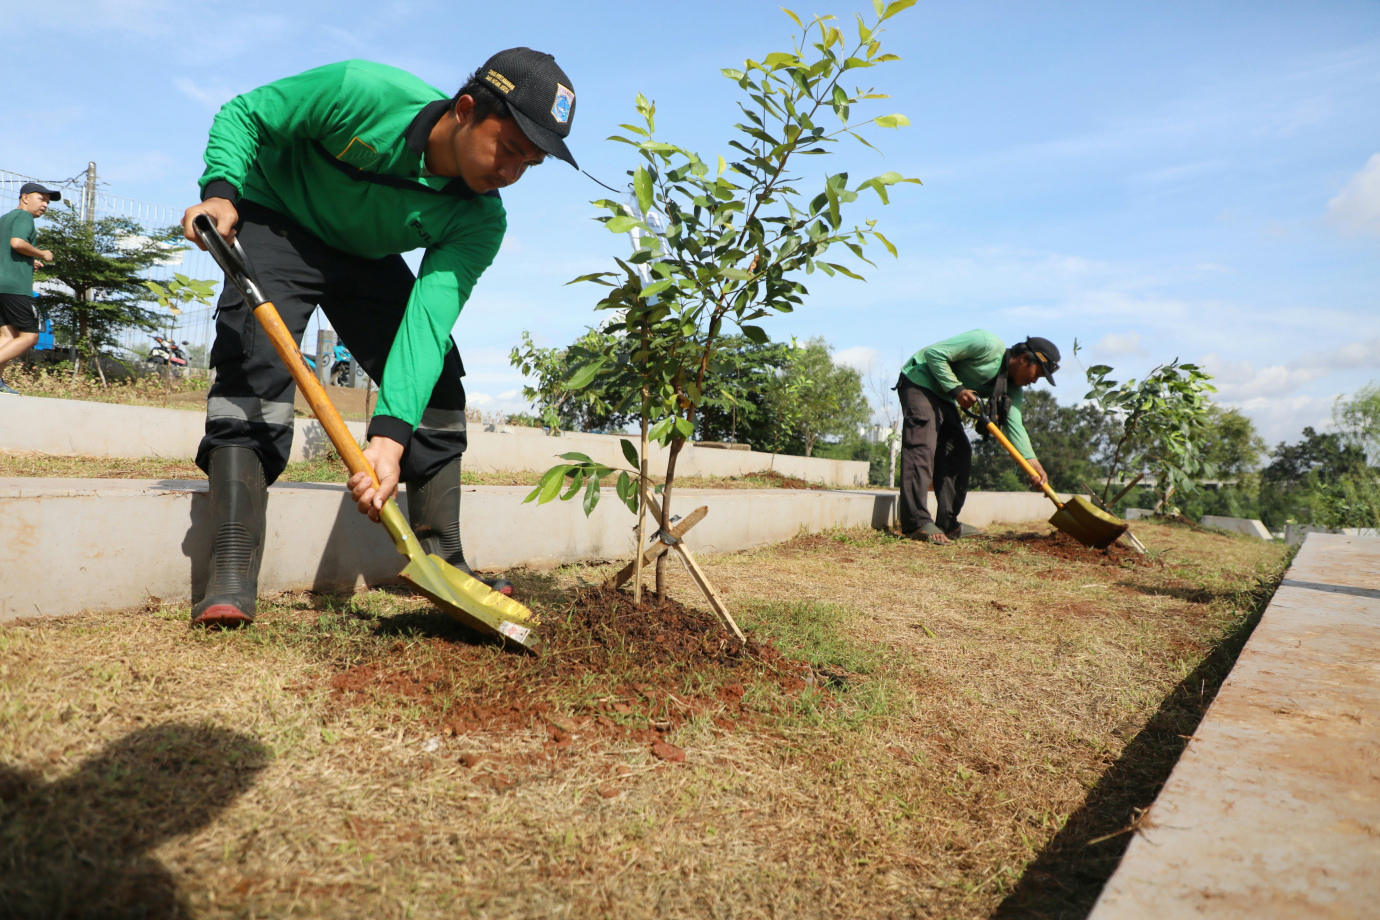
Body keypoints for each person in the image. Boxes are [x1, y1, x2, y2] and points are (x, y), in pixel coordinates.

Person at [181, 50, 578, 627]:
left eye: (531, 162)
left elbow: (426, 323)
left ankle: (442, 556)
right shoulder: (360, 91)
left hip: (365, 257)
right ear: (466, 110)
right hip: (277, 219)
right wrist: (222, 191)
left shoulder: (481, 220)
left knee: (438, 375)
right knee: (254, 360)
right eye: (510, 147)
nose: (512, 172)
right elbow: (247, 114)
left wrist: (388, 440)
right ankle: (233, 566)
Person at [896, 330, 1060, 544]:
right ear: (1023, 359)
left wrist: (1032, 461)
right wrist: (957, 389)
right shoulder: (987, 343)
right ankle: (916, 522)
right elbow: (935, 354)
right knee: (922, 446)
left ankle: (948, 524)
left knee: (959, 451)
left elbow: (1015, 425)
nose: (1035, 381)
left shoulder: (1012, 389)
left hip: (944, 395)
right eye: (1038, 373)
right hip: (920, 380)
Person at [0, 183, 60, 394]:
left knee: (7, 337)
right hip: (15, 287)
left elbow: (7, 250)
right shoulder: (24, 217)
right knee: (29, 336)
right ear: (25, 198)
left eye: (48, 202)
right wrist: (41, 253)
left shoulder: (4, 219)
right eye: (41, 199)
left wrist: (28, 260)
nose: (45, 204)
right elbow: (17, 243)